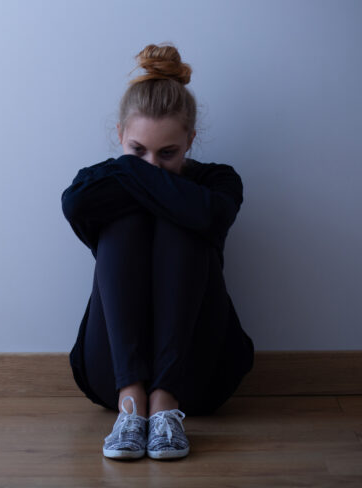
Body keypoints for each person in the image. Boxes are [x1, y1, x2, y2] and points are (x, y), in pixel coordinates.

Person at [60, 43, 254, 461]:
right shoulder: (96, 185)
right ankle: (132, 404)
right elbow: (73, 204)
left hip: (201, 374)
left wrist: (131, 172)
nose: (152, 165)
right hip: (109, 372)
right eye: (137, 152)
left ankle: (166, 404)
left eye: (168, 153)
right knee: (130, 220)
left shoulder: (218, 181)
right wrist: (147, 177)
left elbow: (210, 216)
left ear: (190, 140)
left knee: (183, 217)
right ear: (119, 136)